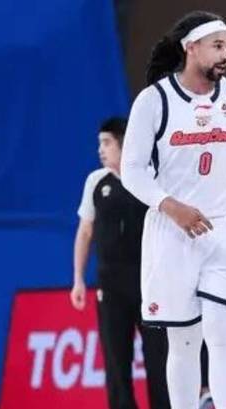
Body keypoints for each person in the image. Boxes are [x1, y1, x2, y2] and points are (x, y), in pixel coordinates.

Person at [120, 12, 226, 409]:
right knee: (183, 342)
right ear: (191, 48)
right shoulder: (154, 100)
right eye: (218, 46)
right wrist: (172, 206)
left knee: (224, 336)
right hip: (174, 232)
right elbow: (132, 170)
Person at [70, 117, 170, 409]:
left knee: (159, 361)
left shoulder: (151, 177)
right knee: (116, 363)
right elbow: (85, 232)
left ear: (124, 143)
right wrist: (78, 279)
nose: (100, 150)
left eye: (107, 143)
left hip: (149, 284)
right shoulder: (96, 181)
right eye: (99, 143)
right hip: (111, 286)